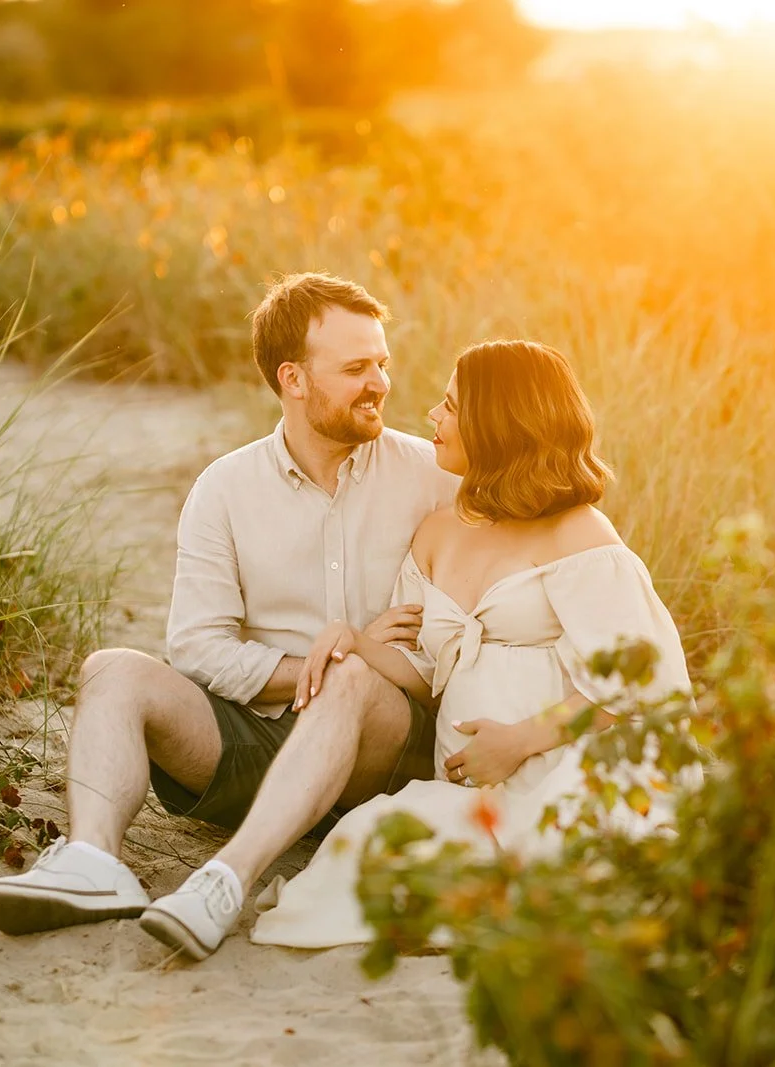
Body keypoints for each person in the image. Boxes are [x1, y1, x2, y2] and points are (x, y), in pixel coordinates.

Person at [0, 273, 457, 959]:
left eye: (382, 362)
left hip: (381, 750)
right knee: (113, 670)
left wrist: (360, 665)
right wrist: (309, 670)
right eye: (355, 367)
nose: (379, 380)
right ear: (293, 377)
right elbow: (197, 646)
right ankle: (92, 862)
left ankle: (225, 881)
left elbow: (468, 628)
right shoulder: (225, 488)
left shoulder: (433, 477)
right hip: (257, 742)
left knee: (352, 679)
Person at [248, 339, 691, 949]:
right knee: (368, 852)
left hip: (570, 764)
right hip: (474, 789)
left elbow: (645, 683)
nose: (432, 415)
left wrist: (519, 741)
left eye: (451, 406)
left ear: (496, 425)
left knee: (580, 877)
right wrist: (353, 641)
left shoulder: (577, 532)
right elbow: (428, 671)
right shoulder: (436, 533)